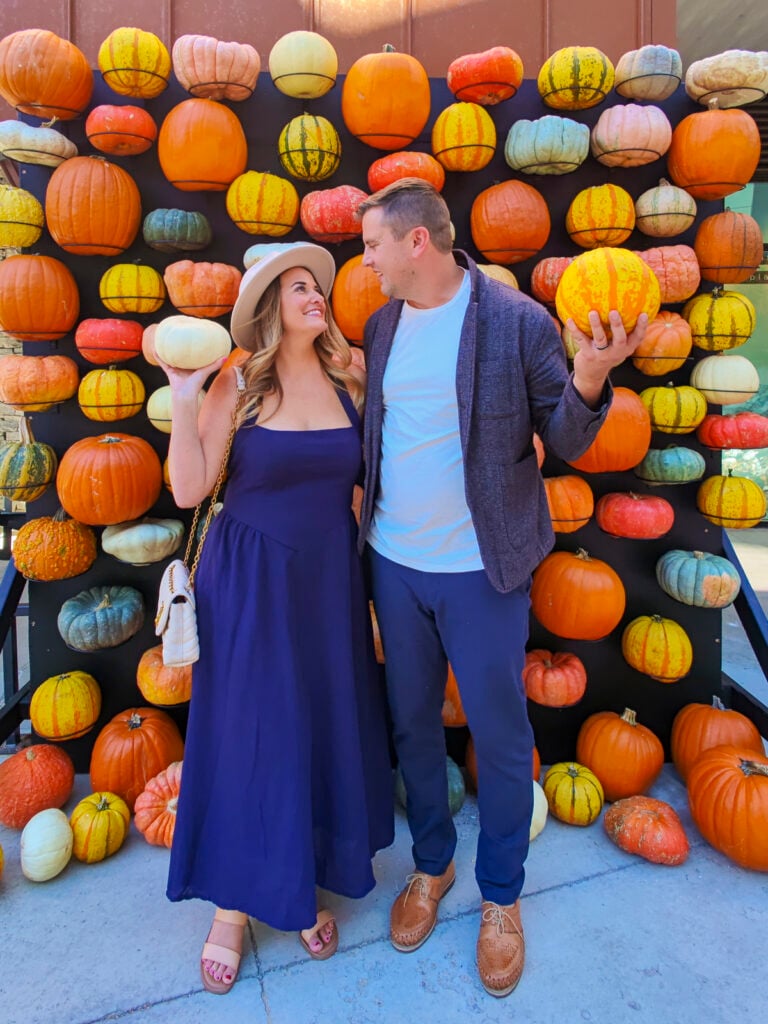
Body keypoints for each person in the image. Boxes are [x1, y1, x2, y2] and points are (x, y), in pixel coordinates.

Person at [356, 178, 647, 998]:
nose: (366, 259)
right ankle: (433, 867)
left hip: (483, 569)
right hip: (394, 563)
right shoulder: (381, 326)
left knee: (501, 731)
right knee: (411, 721)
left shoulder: (517, 321)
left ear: (419, 242)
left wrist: (590, 377)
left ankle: (504, 896)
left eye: (374, 243)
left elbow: (565, 433)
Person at [162, 243, 394, 995]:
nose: (315, 295)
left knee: (316, 727)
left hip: (326, 581)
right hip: (250, 581)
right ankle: (232, 909)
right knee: (248, 735)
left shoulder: (344, 376)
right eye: (299, 287)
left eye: (317, 286)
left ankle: (301, 885)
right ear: (269, 304)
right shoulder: (238, 379)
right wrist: (186, 397)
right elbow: (190, 488)